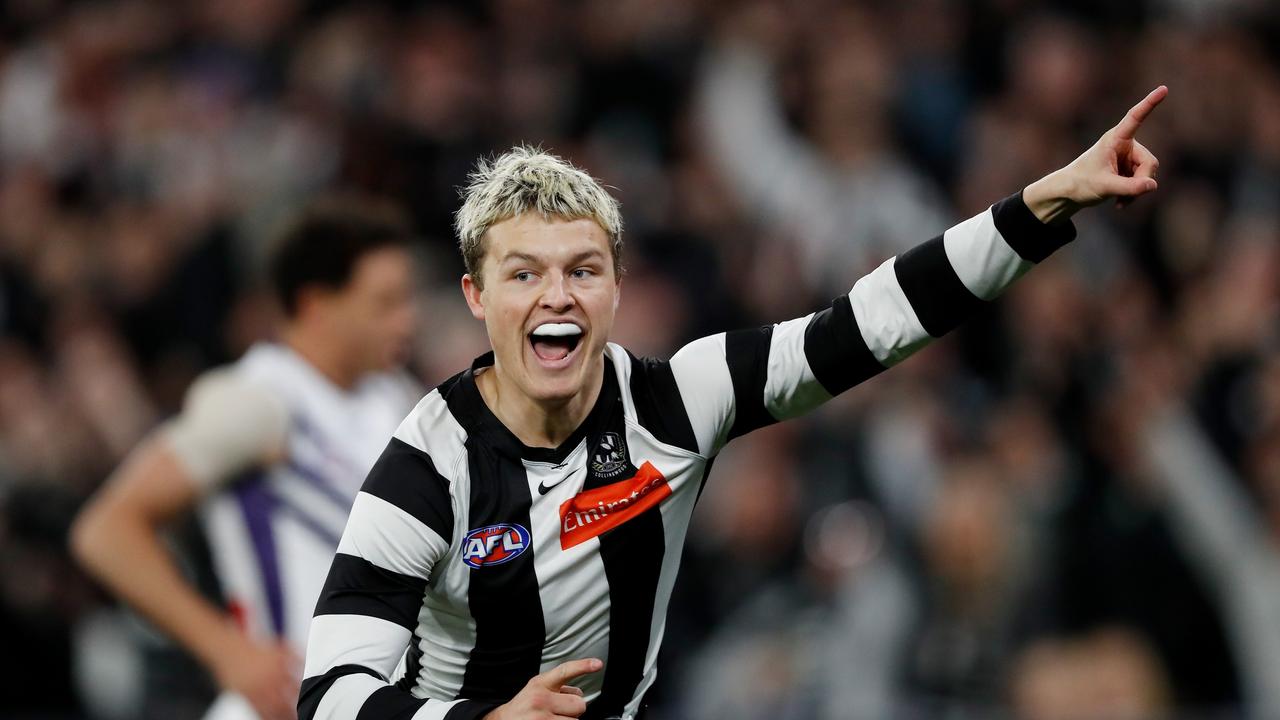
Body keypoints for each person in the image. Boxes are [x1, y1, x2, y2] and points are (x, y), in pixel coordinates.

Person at [297, 88, 1168, 720]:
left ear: (615, 291)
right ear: (477, 297)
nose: (556, 297)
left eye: (583, 271)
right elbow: (331, 698)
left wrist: (1049, 200)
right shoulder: (423, 466)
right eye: (524, 274)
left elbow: (873, 321)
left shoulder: (678, 401)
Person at [71, 197, 422, 720]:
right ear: (315, 305)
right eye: (384, 302)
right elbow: (105, 531)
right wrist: (227, 650)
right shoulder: (259, 400)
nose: (406, 321)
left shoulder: (393, 398)